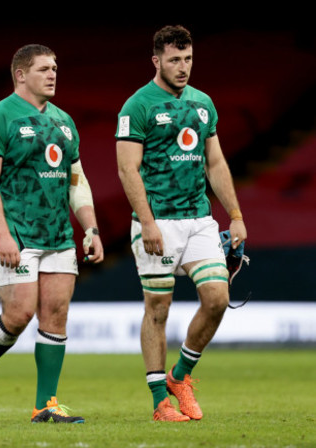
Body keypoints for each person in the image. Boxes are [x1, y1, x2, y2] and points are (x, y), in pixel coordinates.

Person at [115, 25, 247, 422]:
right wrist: (149, 223)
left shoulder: (203, 104)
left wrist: (236, 215)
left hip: (199, 220)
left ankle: (181, 376)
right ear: (156, 61)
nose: (182, 66)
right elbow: (127, 169)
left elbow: (216, 162)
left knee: (217, 299)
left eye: (188, 58)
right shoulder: (136, 106)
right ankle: (160, 402)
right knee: (158, 308)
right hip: (158, 223)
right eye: (174, 59)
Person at [0, 44, 104, 423]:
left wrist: (90, 227)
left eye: (55, 67)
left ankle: (45, 404)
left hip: (58, 235)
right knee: (19, 313)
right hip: (19, 236)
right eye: (44, 68)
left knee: (55, 315)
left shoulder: (64, 121)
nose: (53, 74)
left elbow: (77, 181)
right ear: (21, 75)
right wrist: (3, 235)